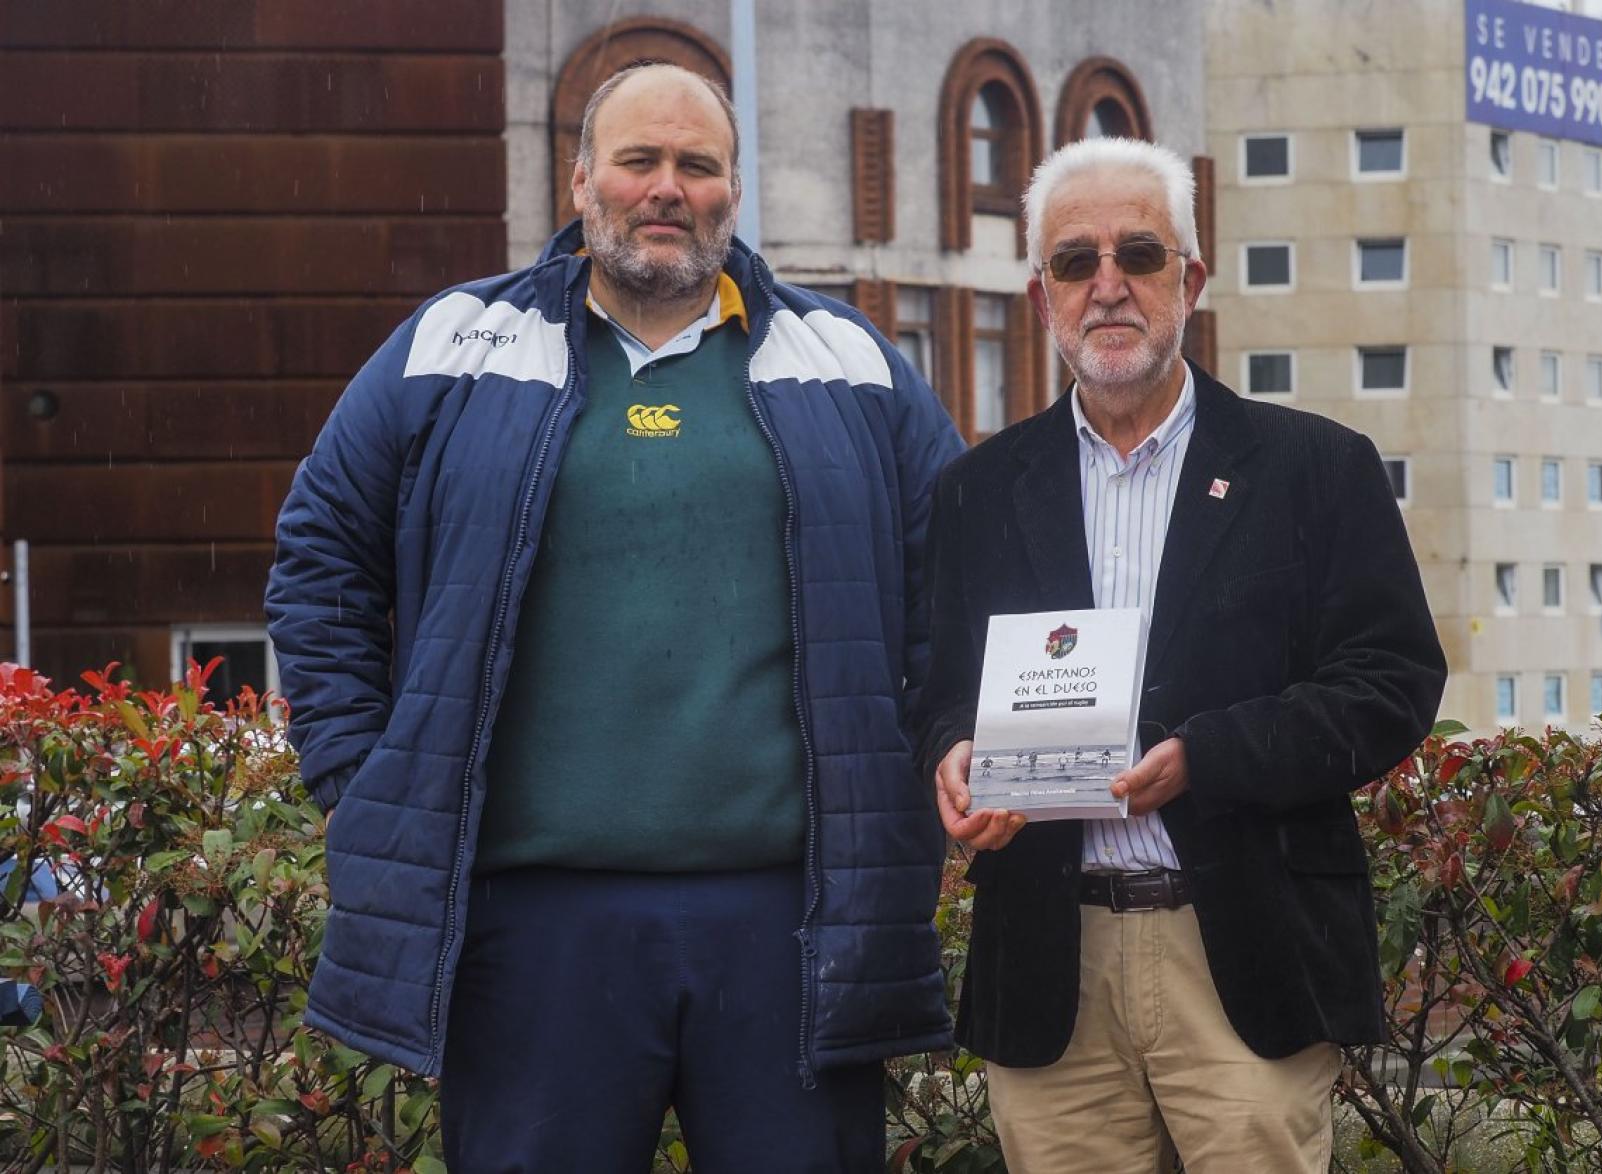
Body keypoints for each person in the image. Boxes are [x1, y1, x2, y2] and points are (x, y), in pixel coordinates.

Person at [266, 63, 963, 1172]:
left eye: (698, 165)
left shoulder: (852, 363)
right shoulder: (455, 344)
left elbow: (956, 586)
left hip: (797, 925)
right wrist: (361, 773)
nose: (666, 189)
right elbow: (320, 558)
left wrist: (931, 761)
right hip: (532, 927)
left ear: (735, 189)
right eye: (640, 160)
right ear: (582, 175)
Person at [914, 137, 1447, 1173]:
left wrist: (1210, 754)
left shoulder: (1315, 469)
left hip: (1243, 951)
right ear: (1041, 296)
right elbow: (941, 690)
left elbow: (1393, 682)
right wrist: (951, 752)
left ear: (1191, 280)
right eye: (1076, 262)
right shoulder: (978, 492)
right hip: (1048, 966)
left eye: (1140, 254)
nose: (1108, 286)